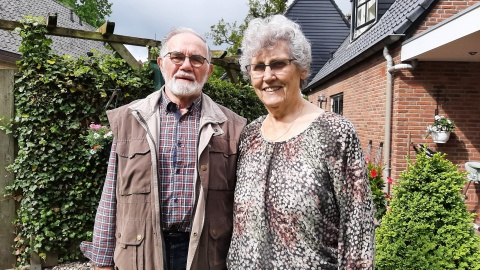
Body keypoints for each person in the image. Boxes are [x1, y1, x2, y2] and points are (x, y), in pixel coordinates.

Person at [80, 27, 247, 270]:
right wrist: (103, 261)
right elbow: (110, 194)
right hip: (140, 254)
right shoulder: (130, 119)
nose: (186, 66)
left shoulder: (233, 126)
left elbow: (240, 205)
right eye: (177, 57)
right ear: (161, 63)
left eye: (197, 59)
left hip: (206, 255)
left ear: (209, 70)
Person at [227, 15, 375, 269]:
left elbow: (358, 226)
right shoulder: (250, 135)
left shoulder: (334, 132)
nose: (268, 76)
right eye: (258, 67)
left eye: (278, 64)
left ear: (302, 68)